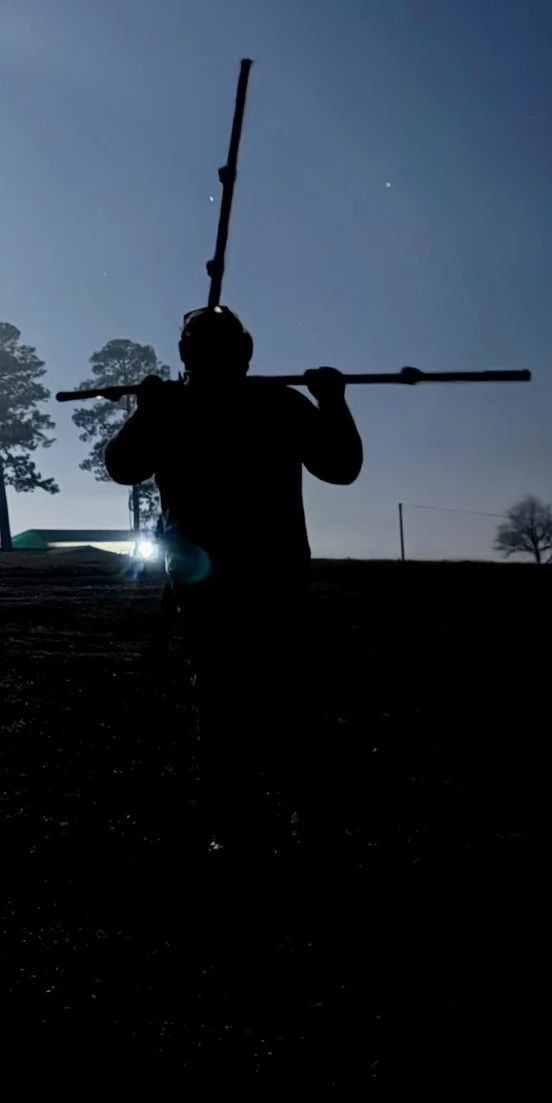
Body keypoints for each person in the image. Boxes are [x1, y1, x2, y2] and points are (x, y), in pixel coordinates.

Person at [104, 304, 363, 852]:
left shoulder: (185, 409)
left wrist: (148, 411)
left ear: (184, 354)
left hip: (222, 584)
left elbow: (123, 465)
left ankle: (247, 823)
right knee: (278, 703)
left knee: (231, 704)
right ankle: (292, 820)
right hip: (267, 578)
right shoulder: (276, 404)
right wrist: (334, 402)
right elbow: (341, 465)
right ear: (246, 350)